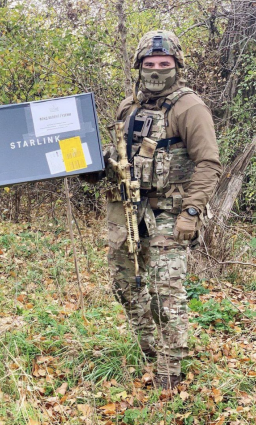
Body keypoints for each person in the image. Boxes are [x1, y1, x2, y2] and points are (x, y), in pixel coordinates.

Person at [83, 30, 222, 389]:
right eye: (150, 64)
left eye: (164, 63)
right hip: (129, 211)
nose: (157, 70)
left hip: (170, 213)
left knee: (165, 292)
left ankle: (169, 370)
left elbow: (209, 163)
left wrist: (191, 212)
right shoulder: (128, 107)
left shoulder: (189, 107)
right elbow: (122, 158)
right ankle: (150, 348)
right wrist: (94, 166)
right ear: (139, 66)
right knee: (124, 285)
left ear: (177, 66)